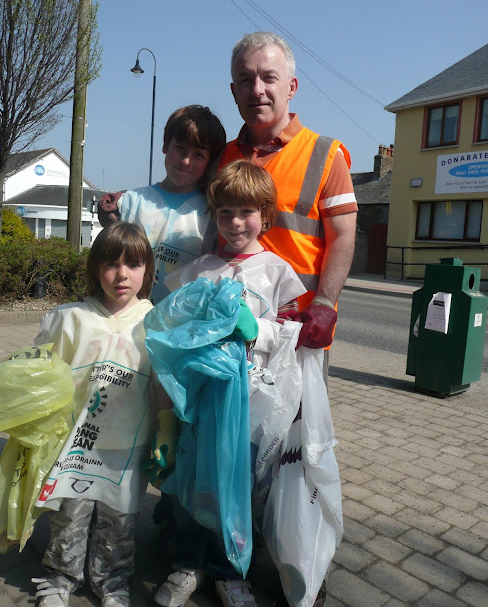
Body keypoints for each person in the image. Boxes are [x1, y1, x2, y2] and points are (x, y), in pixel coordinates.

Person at [218, 31, 357, 606]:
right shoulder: (226, 156)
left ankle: (304, 564)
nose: (258, 89)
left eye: (269, 77)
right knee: (242, 451)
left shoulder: (328, 153)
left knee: (299, 455)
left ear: (291, 86)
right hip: (239, 334)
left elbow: (344, 233)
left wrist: (324, 303)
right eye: (247, 79)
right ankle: (238, 559)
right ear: (233, 90)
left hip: (301, 333)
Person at [152, 160, 306, 607]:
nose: (235, 222)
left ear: (266, 214)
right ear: (213, 215)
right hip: (199, 401)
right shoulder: (199, 270)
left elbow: (290, 337)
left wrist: (257, 328)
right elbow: (174, 332)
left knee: (236, 484)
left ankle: (229, 567)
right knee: (190, 480)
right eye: (225, 213)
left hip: (252, 403)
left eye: (246, 212)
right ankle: (187, 562)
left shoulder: (277, 272)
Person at [30, 222, 162, 607]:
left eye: (134, 265)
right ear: (94, 268)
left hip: (127, 446)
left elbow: (161, 383)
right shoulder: (70, 319)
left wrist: (165, 431)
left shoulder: (154, 322)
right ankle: (60, 577)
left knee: (119, 520)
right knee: (68, 514)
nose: (122, 274)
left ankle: (112, 581)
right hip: (75, 444)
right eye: (111, 264)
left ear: (147, 271)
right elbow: (43, 372)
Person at [97, 105, 226, 304]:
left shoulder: (212, 214)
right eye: (180, 148)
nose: (185, 161)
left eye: (198, 154)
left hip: (180, 324)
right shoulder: (130, 202)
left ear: (210, 161)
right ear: (165, 145)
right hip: (126, 319)